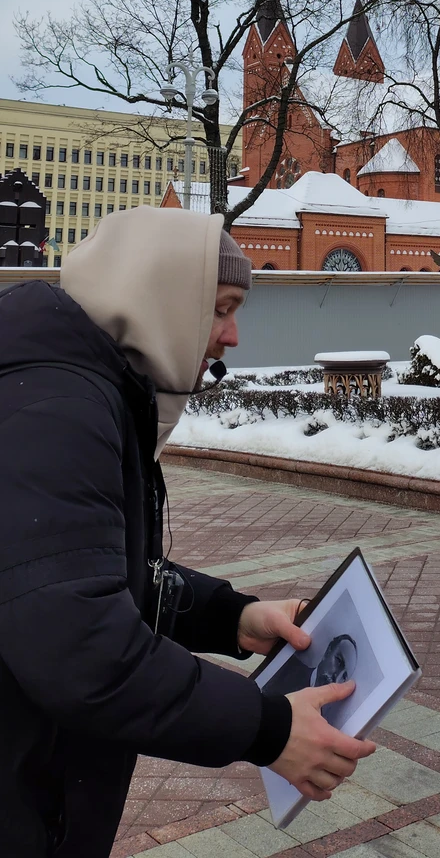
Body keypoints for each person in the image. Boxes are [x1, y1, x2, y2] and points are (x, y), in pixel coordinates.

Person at [0, 206, 375, 857]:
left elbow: (89, 572)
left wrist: (233, 617)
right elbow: (80, 647)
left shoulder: (75, 384)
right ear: (162, 298)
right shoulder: (59, 408)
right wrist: (269, 728)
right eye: (221, 307)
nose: (232, 336)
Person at [264, 634, 358, 699]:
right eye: (338, 661)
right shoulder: (284, 668)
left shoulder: (323, 718)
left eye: (344, 676)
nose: (337, 676)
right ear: (329, 651)